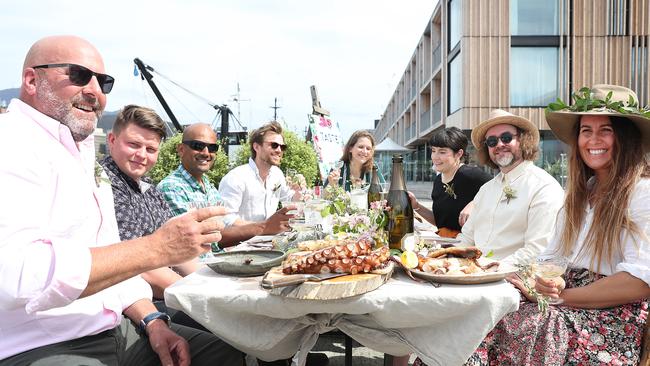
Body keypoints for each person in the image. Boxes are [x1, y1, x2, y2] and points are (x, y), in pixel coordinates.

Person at [0, 36, 242, 365]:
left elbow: (116, 270)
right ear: (31, 80)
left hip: (117, 328)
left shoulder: (82, 159)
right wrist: (157, 249)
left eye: (104, 81)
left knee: (225, 352)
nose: (95, 90)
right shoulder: (12, 143)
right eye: (78, 75)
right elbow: (20, 276)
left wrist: (153, 322)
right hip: (41, 343)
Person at [447, 84, 650, 365]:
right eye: (586, 131)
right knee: (474, 320)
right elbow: (553, 255)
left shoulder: (642, 192)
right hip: (569, 297)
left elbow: (639, 282)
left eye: (606, 129)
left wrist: (563, 295)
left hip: (610, 317)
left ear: (625, 137)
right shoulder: (582, 191)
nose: (593, 139)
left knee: (506, 328)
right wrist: (548, 280)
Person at [456, 109, 564, 264]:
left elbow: (537, 251)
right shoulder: (486, 190)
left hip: (513, 281)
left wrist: (488, 269)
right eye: (492, 141)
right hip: (474, 272)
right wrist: (448, 258)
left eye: (506, 138)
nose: (499, 144)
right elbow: (467, 237)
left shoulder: (544, 187)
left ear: (523, 140)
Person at [158, 122, 293, 246]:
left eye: (212, 147)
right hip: (206, 266)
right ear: (181, 150)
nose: (206, 153)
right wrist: (264, 227)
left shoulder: (209, 187)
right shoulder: (172, 187)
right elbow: (192, 242)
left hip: (236, 253)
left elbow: (221, 230)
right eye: (197, 146)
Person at [407, 127, 492, 238]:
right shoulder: (438, 181)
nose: (435, 157)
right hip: (446, 243)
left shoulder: (471, 175)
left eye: (442, 152)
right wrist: (416, 206)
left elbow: (501, 187)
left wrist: (475, 204)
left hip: (470, 246)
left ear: (458, 154)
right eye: (433, 151)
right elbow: (441, 222)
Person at [218, 121, 301, 222]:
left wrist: (299, 192)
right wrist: (263, 228)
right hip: (244, 238)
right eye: (274, 145)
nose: (279, 150)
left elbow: (289, 199)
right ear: (256, 147)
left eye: (282, 147)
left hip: (270, 237)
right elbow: (225, 220)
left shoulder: (276, 174)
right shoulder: (236, 178)